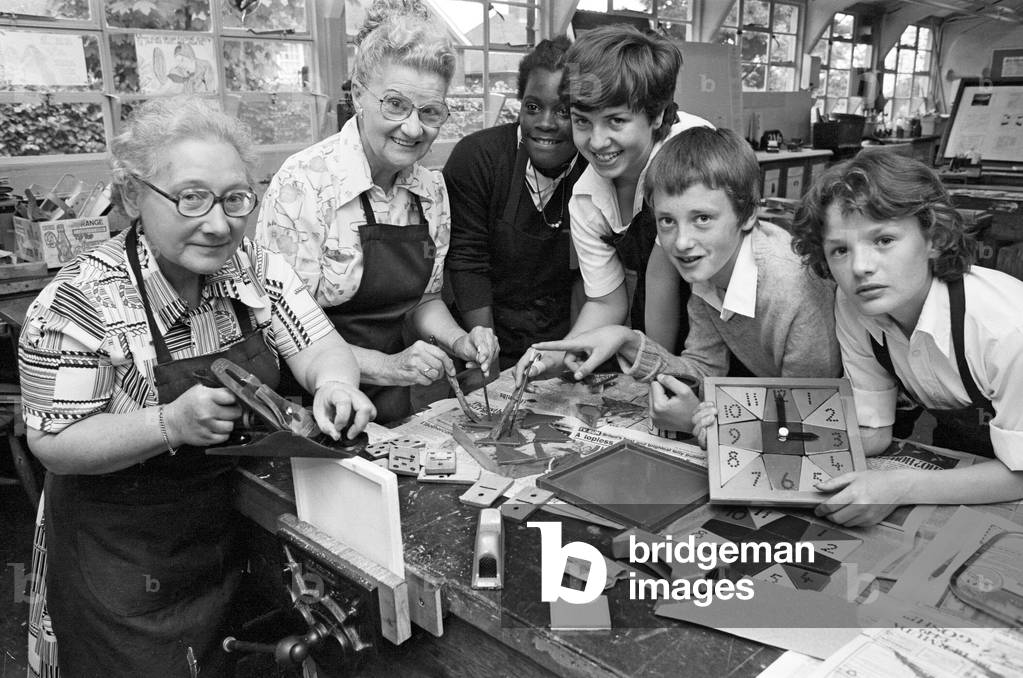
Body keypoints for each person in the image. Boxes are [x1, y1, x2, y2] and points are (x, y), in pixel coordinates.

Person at [18, 96, 375, 677]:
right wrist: (169, 423)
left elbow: (319, 345)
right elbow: (55, 443)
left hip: (228, 532)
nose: (218, 223)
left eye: (236, 200)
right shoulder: (79, 301)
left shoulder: (252, 265)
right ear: (135, 197)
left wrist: (334, 384)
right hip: (123, 560)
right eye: (191, 198)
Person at [256, 0, 498, 422]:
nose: (412, 128)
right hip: (314, 402)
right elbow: (279, 330)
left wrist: (460, 341)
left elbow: (424, 300)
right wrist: (389, 366)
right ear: (358, 95)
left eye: (430, 112)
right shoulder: (305, 185)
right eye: (395, 104)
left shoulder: (431, 190)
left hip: (394, 397)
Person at [535, 127, 841, 433]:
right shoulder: (711, 266)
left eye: (702, 219)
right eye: (667, 221)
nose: (681, 242)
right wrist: (626, 341)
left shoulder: (792, 290)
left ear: (747, 215)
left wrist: (700, 425)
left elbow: (811, 419)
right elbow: (703, 370)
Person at [790, 150, 1023, 526]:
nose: (860, 267)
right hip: (971, 461)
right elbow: (876, 431)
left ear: (933, 237)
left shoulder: (1006, 329)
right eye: (840, 250)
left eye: (883, 240)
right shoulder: (855, 308)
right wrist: (779, 441)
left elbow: (1020, 473)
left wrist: (897, 486)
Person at [516, 24, 711, 382]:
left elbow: (661, 280)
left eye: (616, 121)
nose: (598, 141)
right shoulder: (587, 197)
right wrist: (557, 354)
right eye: (582, 121)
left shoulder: (688, 159)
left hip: (720, 339)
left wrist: (655, 374)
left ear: (657, 116)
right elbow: (608, 301)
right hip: (658, 336)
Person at [443, 37, 586, 370]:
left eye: (564, 111)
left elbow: (590, 280)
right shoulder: (479, 158)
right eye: (533, 107)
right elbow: (468, 262)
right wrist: (486, 361)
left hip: (561, 341)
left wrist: (568, 358)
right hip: (484, 334)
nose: (545, 123)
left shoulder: (594, 170)